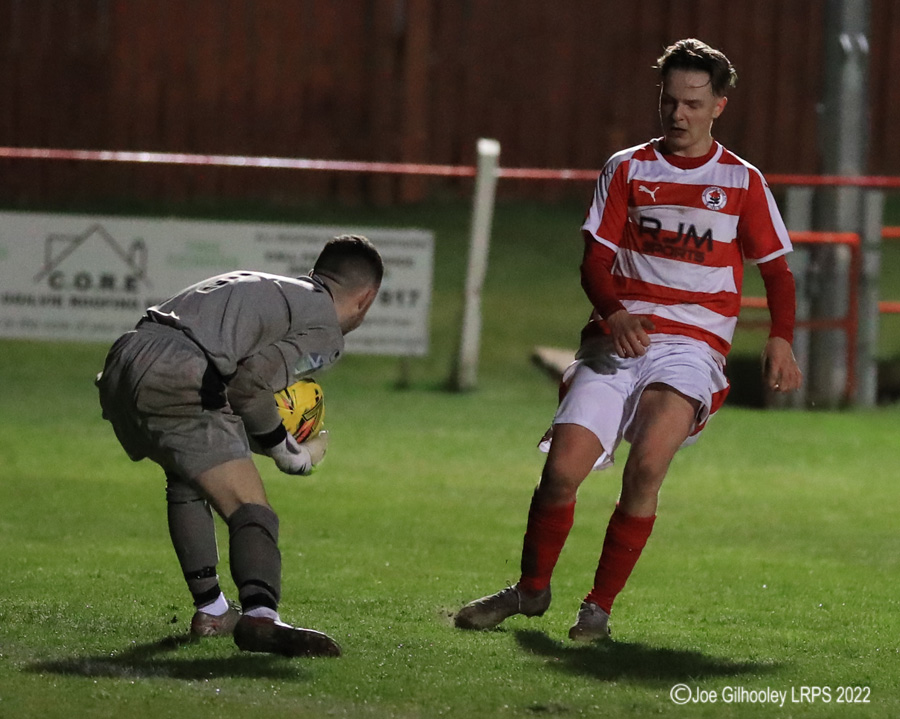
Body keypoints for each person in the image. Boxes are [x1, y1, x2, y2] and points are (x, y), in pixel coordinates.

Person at [455, 38, 802, 641]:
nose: (678, 114)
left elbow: (775, 269)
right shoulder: (627, 168)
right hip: (617, 340)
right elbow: (594, 261)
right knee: (562, 471)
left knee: (645, 469)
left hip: (692, 347)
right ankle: (531, 591)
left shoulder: (742, 182)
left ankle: (598, 608)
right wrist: (614, 313)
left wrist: (781, 337)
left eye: (693, 103)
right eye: (669, 100)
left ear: (719, 105)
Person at [96, 234, 383, 657]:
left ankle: (212, 609)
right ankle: (261, 617)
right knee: (252, 510)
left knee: (189, 478)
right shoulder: (324, 327)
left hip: (125, 361)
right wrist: (293, 455)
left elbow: (234, 385)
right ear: (366, 299)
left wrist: (263, 434)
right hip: (181, 371)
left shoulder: (271, 287)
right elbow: (250, 388)